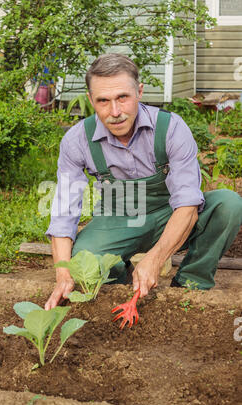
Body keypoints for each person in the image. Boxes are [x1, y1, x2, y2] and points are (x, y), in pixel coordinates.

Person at [44, 53, 242, 310]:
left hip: (171, 212)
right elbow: (63, 214)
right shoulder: (76, 140)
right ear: (91, 100)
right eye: (103, 101)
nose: (115, 112)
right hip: (118, 218)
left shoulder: (170, 128)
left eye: (122, 98)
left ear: (139, 91)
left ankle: (190, 284)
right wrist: (63, 274)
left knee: (228, 204)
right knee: (84, 261)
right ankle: (117, 283)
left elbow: (188, 205)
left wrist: (155, 259)